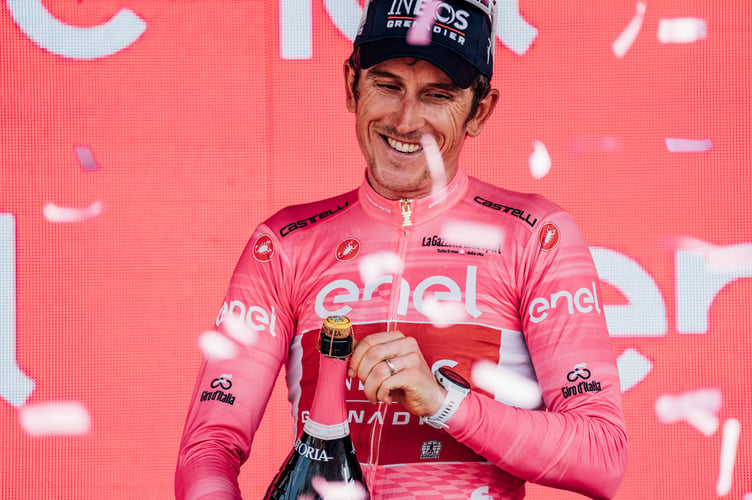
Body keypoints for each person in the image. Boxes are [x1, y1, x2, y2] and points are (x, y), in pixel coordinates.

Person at [175, 0, 628, 498]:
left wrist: (444, 402)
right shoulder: (284, 243)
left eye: (437, 95)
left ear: (480, 110)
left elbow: (601, 457)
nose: (406, 121)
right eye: (387, 85)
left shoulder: (535, 235)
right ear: (352, 85)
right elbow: (208, 447)